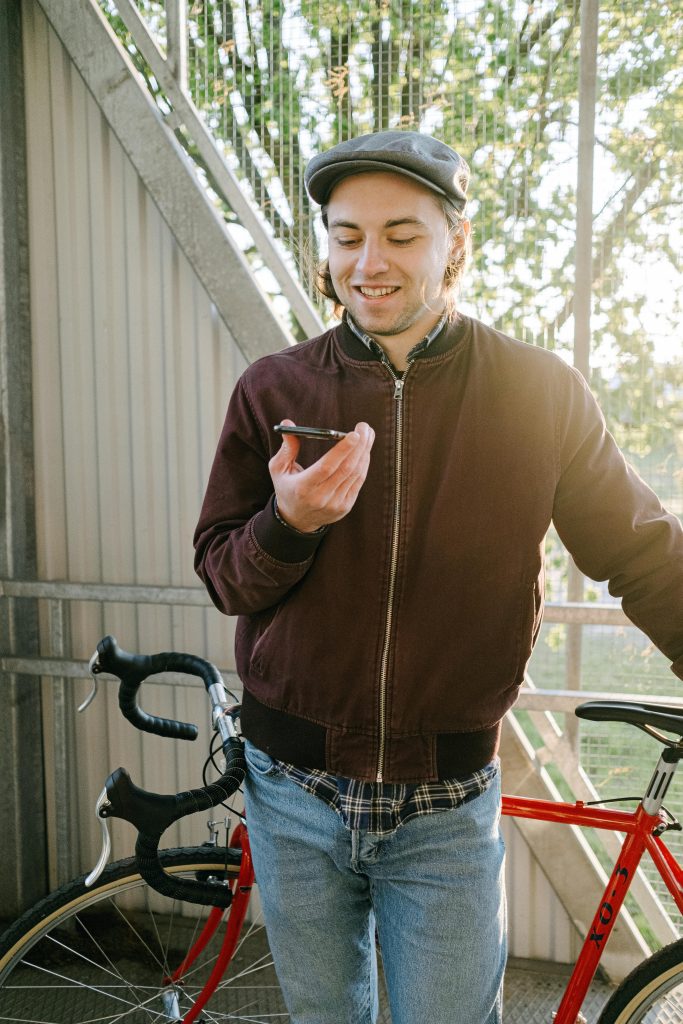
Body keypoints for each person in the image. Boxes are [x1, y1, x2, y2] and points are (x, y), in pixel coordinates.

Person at [194, 131, 683, 1024]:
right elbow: (225, 574)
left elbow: (641, 552)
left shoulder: (538, 393)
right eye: (346, 236)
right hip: (290, 792)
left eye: (401, 235)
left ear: (456, 241)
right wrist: (288, 524)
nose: (368, 263)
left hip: (446, 808)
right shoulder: (274, 390)